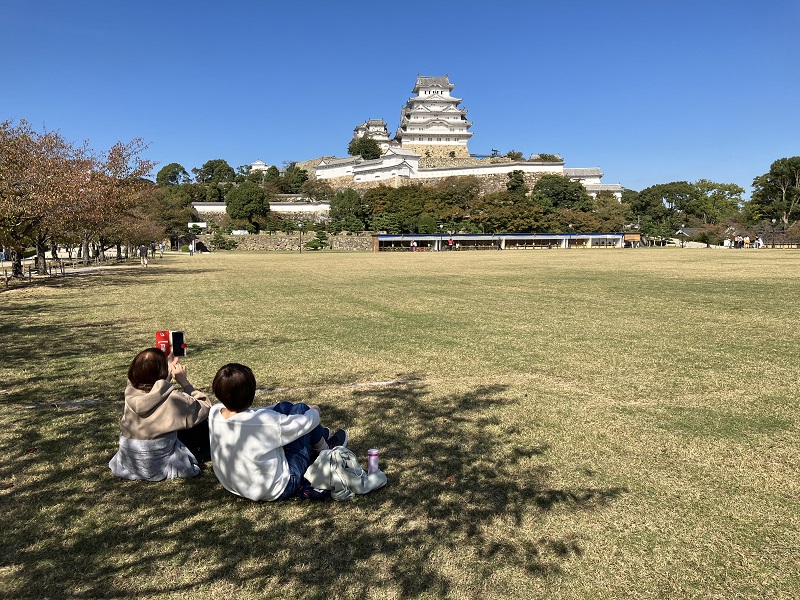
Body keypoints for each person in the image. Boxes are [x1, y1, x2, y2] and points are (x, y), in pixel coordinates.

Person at [208, 363, 347, 501]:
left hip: (235, 484)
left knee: (284, 406)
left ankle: (318, 437)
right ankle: (325, 448)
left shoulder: (214, 412)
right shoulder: (264, 422)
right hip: (280, 486)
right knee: (301, 409)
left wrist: (280, 407)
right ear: (251, 392)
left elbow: (253, 413)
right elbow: (305, 422)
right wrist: (315, 410)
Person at [109, 348, 212, 481]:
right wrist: (184, 382)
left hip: (130, 459)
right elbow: (205, 406)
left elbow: (154, 390)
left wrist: (164, 372)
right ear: (163, 374)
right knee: (201, 422)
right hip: (160, 460)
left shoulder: (130, 391)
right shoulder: (174, 399)